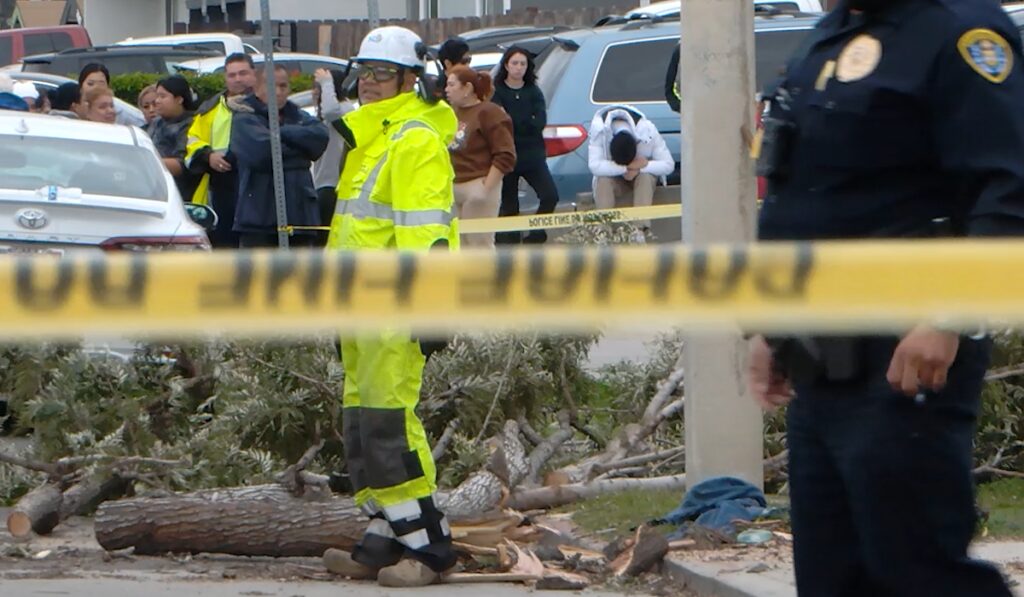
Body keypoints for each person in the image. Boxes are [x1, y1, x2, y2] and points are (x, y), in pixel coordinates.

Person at [747, 1, 1024, 595]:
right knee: (831, 573)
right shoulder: (832, 35)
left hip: (907, 353)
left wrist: (949, 315)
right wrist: (769, 327)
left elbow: (1004, 196)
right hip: (819, 357)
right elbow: (799, 196)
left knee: (916, 567)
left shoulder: (960, 35)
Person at [321, 25, 459, 588]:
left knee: (387, 428)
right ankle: (381, 537)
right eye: (365, 73)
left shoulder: (414, 140)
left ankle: (429, 549)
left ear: (410, 79)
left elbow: (427, 237)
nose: (370, 84)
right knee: (360, 427)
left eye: (382, 74)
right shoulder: (373, 139)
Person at [229, 64, 328, 248]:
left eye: (283, 86)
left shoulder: (298, 114)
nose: (278, 92)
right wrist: (302, 153)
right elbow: (263, 153)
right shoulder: (244, 117)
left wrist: (280, 133)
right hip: (259, 219)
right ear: (257, 88)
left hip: (300, 217)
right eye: (271, 85)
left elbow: (320, 138)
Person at [185, 53, 258, 248]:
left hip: (257, 184)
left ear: (254, 74)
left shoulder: (266, 105)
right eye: (232, 75)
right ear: (225, 78)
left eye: (243, 73)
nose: (238, 79)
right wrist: (208, 156)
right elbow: (192, 140)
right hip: (222, 187)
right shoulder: (210, 109)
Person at [491, 47, 559, 244]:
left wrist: (516, 121)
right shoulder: (497, 91)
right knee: (509, 206)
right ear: (506, 65)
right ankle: (509, 245)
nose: (519, 68)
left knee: (549, 195)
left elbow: (539, 122)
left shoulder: (533, 91)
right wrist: (522, 122)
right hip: (507, 155)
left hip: (533, 155)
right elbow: (501, 123)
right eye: (514, 63)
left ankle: (537, 233)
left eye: (523, 64)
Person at [445, 65, 516, 248]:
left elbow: (505, 154)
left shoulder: (489, 112)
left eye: (452, 85)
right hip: (452, 185)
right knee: (458, 244)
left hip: (478, 183)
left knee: (478, 244)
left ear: (467, 88)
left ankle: (486, 277)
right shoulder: (450, 113)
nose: (447, 90)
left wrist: (485, 189)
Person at [586, 104, 673, 233]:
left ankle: (639, 230)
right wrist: (625, 168)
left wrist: (643, 166)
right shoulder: (600, 130)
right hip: (616, 180)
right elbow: (594, 165)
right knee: (603, 180)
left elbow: (668, 165)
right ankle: (603, 231)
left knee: (646, 177)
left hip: (641, 179)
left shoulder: (647, 129)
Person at [312, 67, 355, 247]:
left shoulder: (344, 109)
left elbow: (330, 111)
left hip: (333, 184)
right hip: (321, 182)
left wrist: (326, 82)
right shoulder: (324, 114)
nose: (314, 92)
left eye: (317, 87)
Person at [147, 75, 199, 201]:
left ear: (179, 99)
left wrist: (147, 162)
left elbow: (183, 165)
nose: (157, 101)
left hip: (180, 193)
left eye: (163, 96)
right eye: (157, 96)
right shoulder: (157, 122)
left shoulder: (191, 124)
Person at [78, 63, 142, 126]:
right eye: (90, 84)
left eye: (101, 84)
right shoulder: (72, 105)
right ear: (81, 85)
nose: (96, 88)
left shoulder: (123, 111)